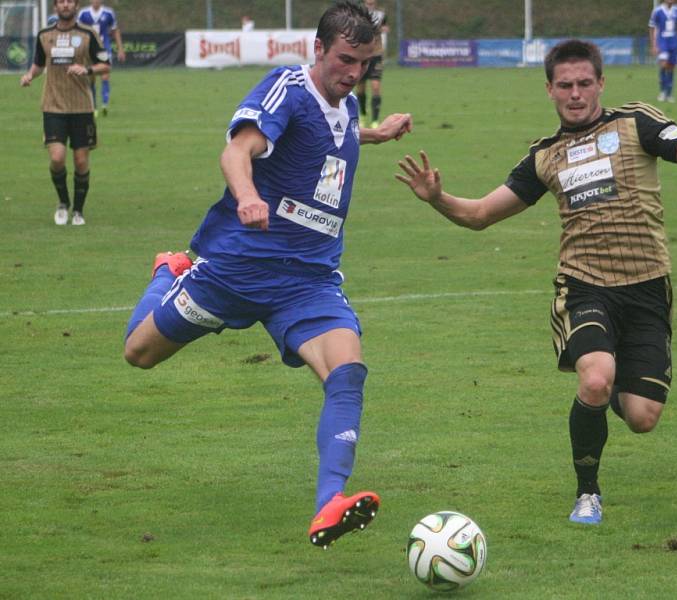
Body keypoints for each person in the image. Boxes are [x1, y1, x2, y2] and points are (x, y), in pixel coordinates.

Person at [396, 39, 677, 525]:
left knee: (641, 418)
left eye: (584, 83)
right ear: (550, 89)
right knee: (593, 379)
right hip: (584, 286)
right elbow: (481, 215)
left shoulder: (636, 122)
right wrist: (437, 198)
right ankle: (588, 494)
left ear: (601, 82)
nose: (576, 94)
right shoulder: (545, 157)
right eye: (565, 86)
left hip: (647, 287)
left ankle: (615, 382)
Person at [123, 1, 412, 549]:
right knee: (139, 353)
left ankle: (330, 502)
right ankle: (168, 273)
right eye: (345, 60)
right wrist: (249, 195)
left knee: (347, 374)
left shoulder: (346, 105)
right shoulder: (288, 89)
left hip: (309, 278)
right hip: (237, 270)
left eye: (366, 64)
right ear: (318, 49)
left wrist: (378, 132)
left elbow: (338, 134)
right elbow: (237, 151)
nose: (353, 73)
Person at [20, 0, 110, 226]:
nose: (66, 5)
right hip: (53, 106)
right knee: (57, 158)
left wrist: (87, 69)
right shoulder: (44, 35)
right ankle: (63, 203)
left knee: (81, 161)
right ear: (56, 7)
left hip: (82, 108)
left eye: (70, 1)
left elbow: (105, 65)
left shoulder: (87, 34)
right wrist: (30, 75)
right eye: (61, 1)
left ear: (76, 6)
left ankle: (78, 210)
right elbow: (39, 64)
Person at [78, 0, 125, 115]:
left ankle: (104, 105)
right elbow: (77, 31)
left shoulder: (108, 13)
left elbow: (115, 31)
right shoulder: (83, 13)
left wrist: (120, 49)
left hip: (104, 49)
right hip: (89, 51)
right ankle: (94, 108)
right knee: (91, 79)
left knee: (105, 76)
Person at [356, 0, 389, 128]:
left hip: (376, 55)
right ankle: (362, 115)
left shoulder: (381, 14)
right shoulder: (359, 14)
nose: (370, 4)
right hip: (362, 55)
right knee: (361, 88)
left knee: (375, 87)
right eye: (368, 3)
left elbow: (385, 26)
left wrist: (383, 28)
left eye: (372, 2)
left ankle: (375, 121)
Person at [649, 1, 677, 103]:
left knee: (671, 67)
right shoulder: (657, 11)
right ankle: (662, 91)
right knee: (663, 64)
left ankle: (669, 94)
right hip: (662, 41)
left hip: (674, 41)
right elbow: (651, 27)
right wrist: (653, 45)